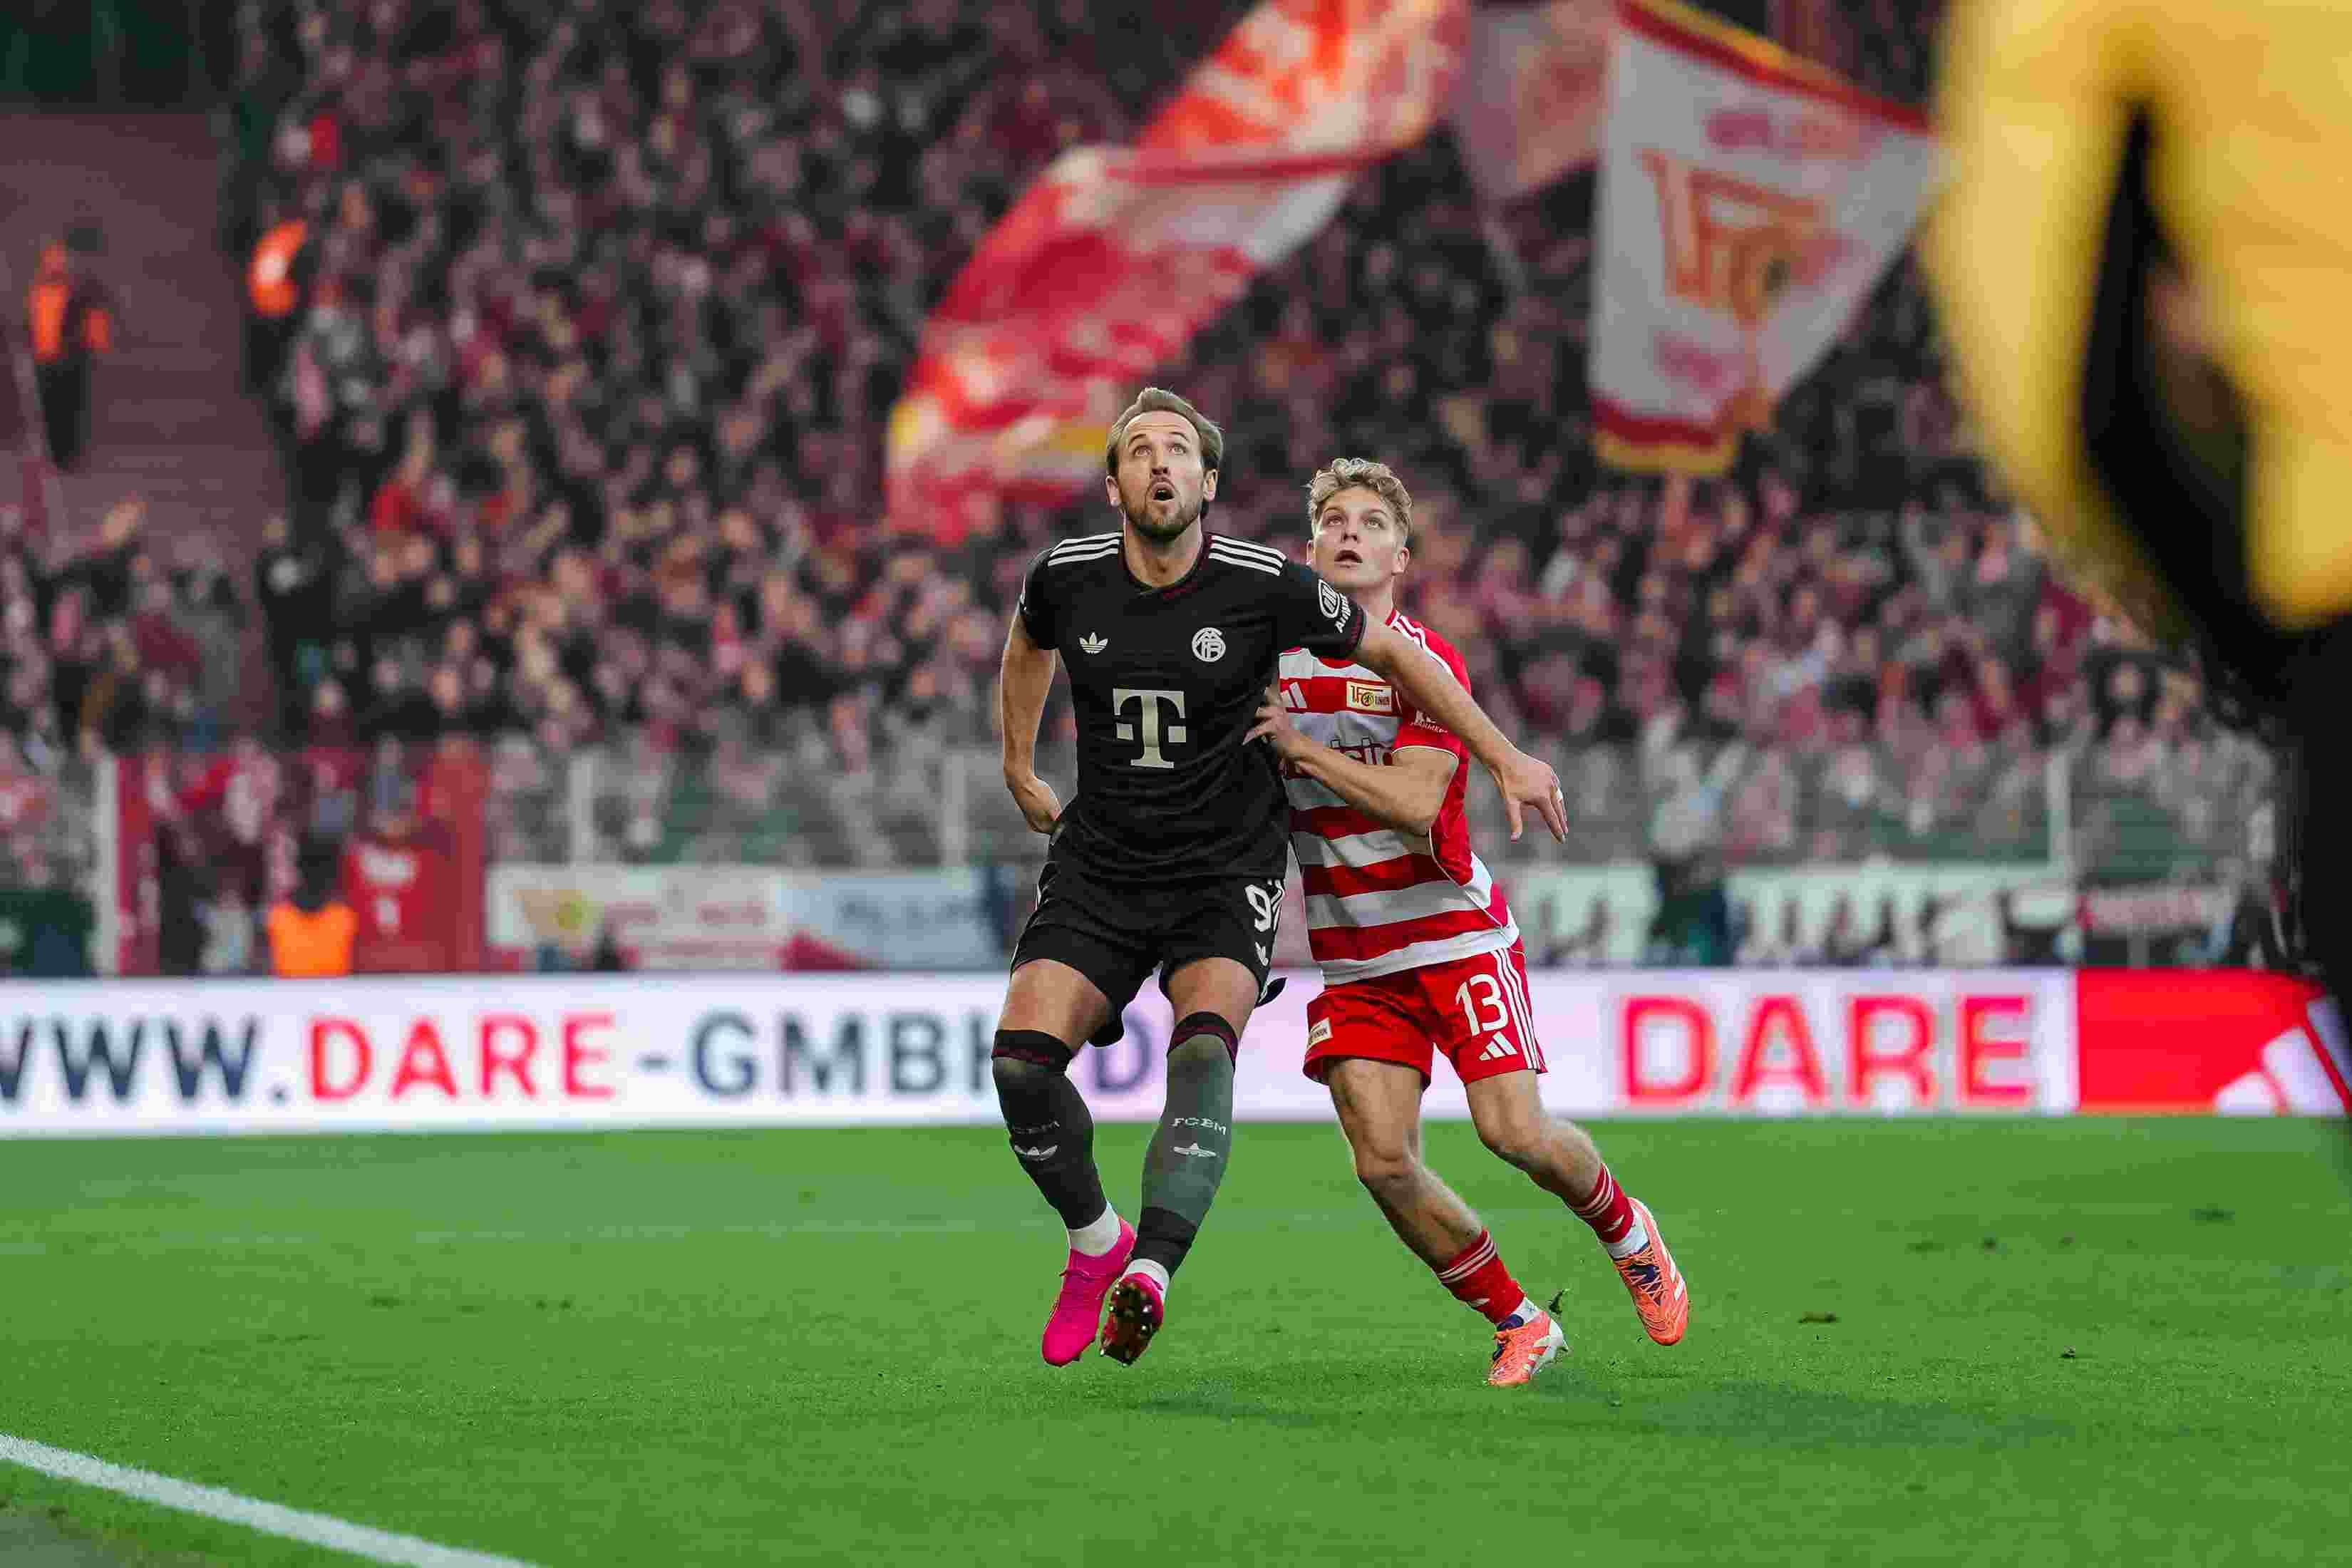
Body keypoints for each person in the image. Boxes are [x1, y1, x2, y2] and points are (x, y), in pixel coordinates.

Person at [996, 390, 1568, 1368]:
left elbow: (1395, 653)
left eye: (1180, 449)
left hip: (1225, 870)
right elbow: (1026, 646)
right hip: (1102, 864)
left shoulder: (1264, 584)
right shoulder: (1066, 576)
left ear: (1209, 483)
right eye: (1141, 451)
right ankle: (1097, 1243)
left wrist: (1506, 755)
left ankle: (1152, 1273)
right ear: (1115, 485)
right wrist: (1016, 764)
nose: (1161, 463)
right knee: (1019, 1066)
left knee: (1204, 1048)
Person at [1248, 458, 1688, 1388]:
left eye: (1372, 522)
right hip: (1356, 959)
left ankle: (1627, 1231)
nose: (1351, 532)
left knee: (1515, 1134)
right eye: (1334, 520)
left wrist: (1300, 753)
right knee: (1382, 1162)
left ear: (1400, 558)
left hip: (1454, 936)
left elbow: (1417, 805)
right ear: (1311, 550)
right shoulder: (1268, 669)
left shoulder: (1424, 663)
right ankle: (1519, 1321)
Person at [23, 239, 112, 470]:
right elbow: (32, 324)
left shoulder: (77, 293)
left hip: (69, 360)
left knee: (69, 410)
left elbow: (91, 323)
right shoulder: (39, 293)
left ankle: (67, 456)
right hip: (47, 361)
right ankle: (56, 455)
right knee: (51, 410)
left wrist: (95, 347)